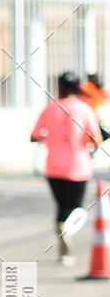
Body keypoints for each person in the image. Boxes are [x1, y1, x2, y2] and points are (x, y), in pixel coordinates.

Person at [30, 71, 102, 266]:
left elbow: (34, 135)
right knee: (77, 209)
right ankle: (66, 233)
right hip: (78, 167)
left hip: (53, 168)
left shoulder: (50, 108)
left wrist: (50, 136)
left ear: (59, 87)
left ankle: (64, 249)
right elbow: (96, 139)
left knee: (62, 207)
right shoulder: (85, 109)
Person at [80, 73, 110, 140]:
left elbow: (106, 95)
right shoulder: (87, 86)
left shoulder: (99, 88)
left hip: (98, 113)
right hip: (90, 112)